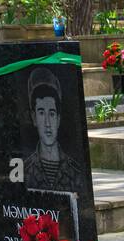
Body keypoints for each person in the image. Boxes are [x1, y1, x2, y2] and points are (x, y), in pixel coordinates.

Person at [23, 67, 86, 195]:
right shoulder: (25, 170)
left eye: (51, 114)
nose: (47, 124)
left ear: (58, 119)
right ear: (34, 118)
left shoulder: (76, 171)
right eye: (41, 113)